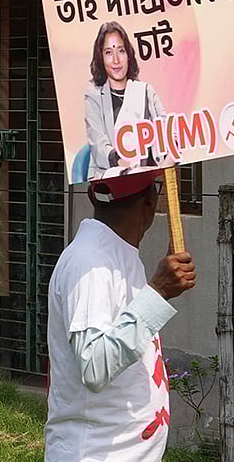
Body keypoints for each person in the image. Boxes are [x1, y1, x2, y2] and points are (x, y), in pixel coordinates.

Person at [45, 171, 196, 461]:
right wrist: (158, 292)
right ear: (151, 200)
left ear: (92, 195)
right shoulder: (91, 263)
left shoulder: (116, 252)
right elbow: (95, 366)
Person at [84, 21, 167, 180]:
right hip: (110, 177)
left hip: (147, 177)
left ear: (128, 55)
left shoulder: (145, 91)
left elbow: (166, 130)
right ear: (101, 57)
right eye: (109, 52)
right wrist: (123, 164)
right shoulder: (94, 95)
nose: (116, 60)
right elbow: (98, 143)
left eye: (121, 51)